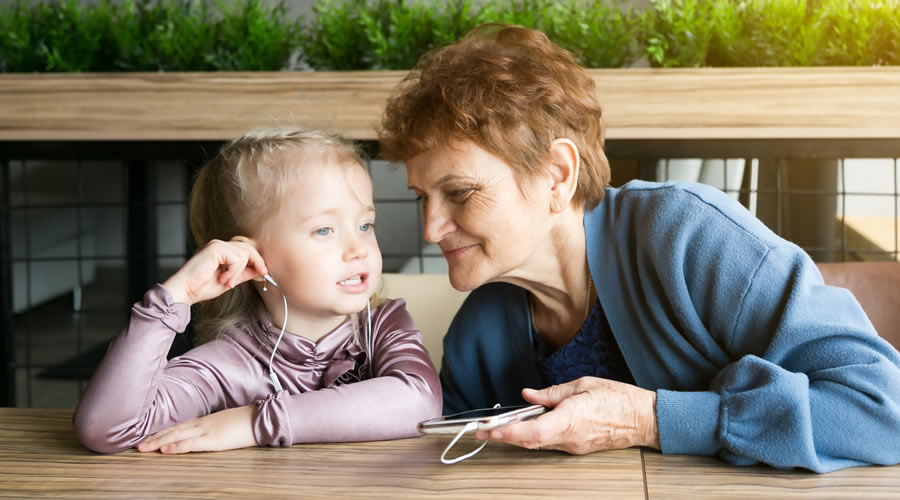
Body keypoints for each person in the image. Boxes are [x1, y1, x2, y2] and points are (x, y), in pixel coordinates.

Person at [377, 24, 900, 472]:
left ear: (556, 175)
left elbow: (884, 408)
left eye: (459, 192)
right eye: (423, 198)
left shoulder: (688, 237)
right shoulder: (477, 337)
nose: (431, 229)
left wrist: (650, 419)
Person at [73, 127, 441, 454]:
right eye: (324, 230)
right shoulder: (229, 365)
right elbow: (105, 429)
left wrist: (254, 422)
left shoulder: (383, 325)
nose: (359, 249)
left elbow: (420, 402)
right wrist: (176, 296)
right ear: (252, 258)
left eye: (365, 225)